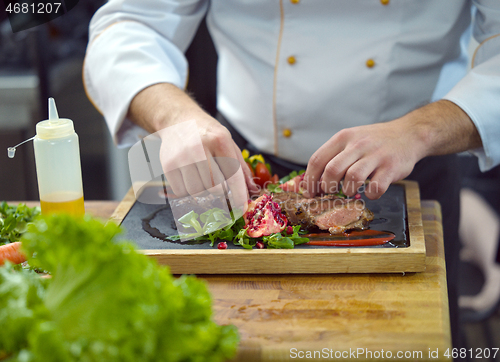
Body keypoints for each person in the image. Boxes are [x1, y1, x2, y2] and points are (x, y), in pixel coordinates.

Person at [83, 0, 500, 351]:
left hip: (411, 165)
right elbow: (129, 24)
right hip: (237, 170)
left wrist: (421, 130)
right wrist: (175, 116)